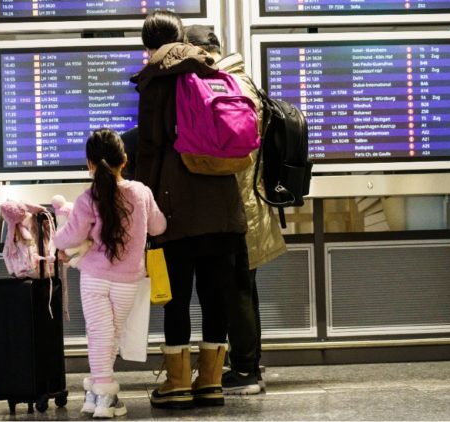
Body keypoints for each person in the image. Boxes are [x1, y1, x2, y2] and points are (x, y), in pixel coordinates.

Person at [131, 11, 247, 409]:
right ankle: (211, 382)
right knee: (215, 294)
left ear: (148, 44)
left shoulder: (155, 80)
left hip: (174, 205)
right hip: (223, 206)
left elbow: (149, 148)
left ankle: (179, 383)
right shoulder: (210, 68)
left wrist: (145, 205)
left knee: (177, 296)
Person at [184, 26, 287, 394]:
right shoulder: (243, 81)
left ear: (201, 52)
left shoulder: (226, 86)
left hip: (239, 206)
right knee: (243, 286)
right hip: (251, 203)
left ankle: (245, 370)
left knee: (236, 287)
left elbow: (228, 154)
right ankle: (247, 362)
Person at [53, 128, 167, 418]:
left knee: (99, 333)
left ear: (90, 164)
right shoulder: (141, 193)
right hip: (127, 281)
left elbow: (69, 237)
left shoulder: (88, 198)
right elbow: (159, 227)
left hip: (93, 277)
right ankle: (102, 395)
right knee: (109, 334)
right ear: (124, 160)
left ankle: (100, 394)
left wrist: (55, 240)